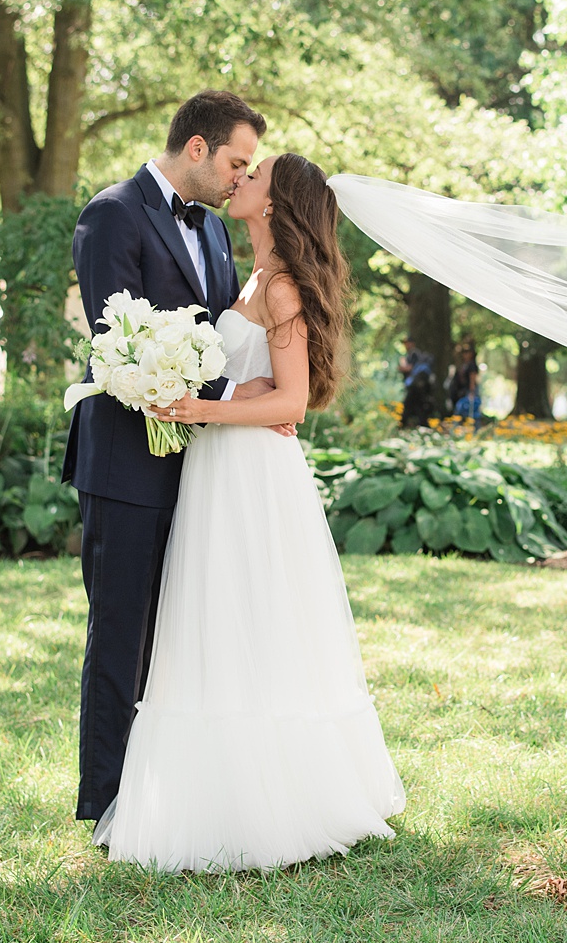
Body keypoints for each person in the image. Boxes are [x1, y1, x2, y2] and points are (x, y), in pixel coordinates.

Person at [92, 151, 406, 872]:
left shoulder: (285, 286)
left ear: (273, 203)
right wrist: (214, 394)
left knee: (252, 620)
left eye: (253, 174)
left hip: (253, 474)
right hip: (218, 465)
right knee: (213, 621)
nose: (241, 181)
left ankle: (278, 800)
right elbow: (247, 380)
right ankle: (212, 793)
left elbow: (293, 401)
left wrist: (196, 404)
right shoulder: (252, 277)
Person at [62, 90, 295, 830]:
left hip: (202, 471)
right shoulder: (112, 214)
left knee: (185, 641)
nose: (240, 177)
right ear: (196, 148)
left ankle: (171, 800)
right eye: (236, 161)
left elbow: (220, 332)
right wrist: (231, 390)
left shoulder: (218, 236)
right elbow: (120, 341)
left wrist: (242, 408)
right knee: (121, 638)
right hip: (127, 467)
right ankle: (107, 806)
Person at [398, 336, 438, 429]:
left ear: (412, 343)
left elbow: (410, 368)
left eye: (407, 343)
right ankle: (423, 426)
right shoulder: (413, 354)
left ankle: (402, 425)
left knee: (409, 404)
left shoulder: (414, 354)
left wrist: (401, 367)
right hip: (418, 386)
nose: (406, 345)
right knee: (419, 406)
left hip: (416, 386)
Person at [450, 340, 482, 420]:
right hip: (461, 390)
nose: (465, 355)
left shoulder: (472, 365)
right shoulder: (462, 365)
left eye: (467, 353)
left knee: (470, 409)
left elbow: (473, 378)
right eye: (464, 353)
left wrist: (472, 391)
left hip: (469, 390)